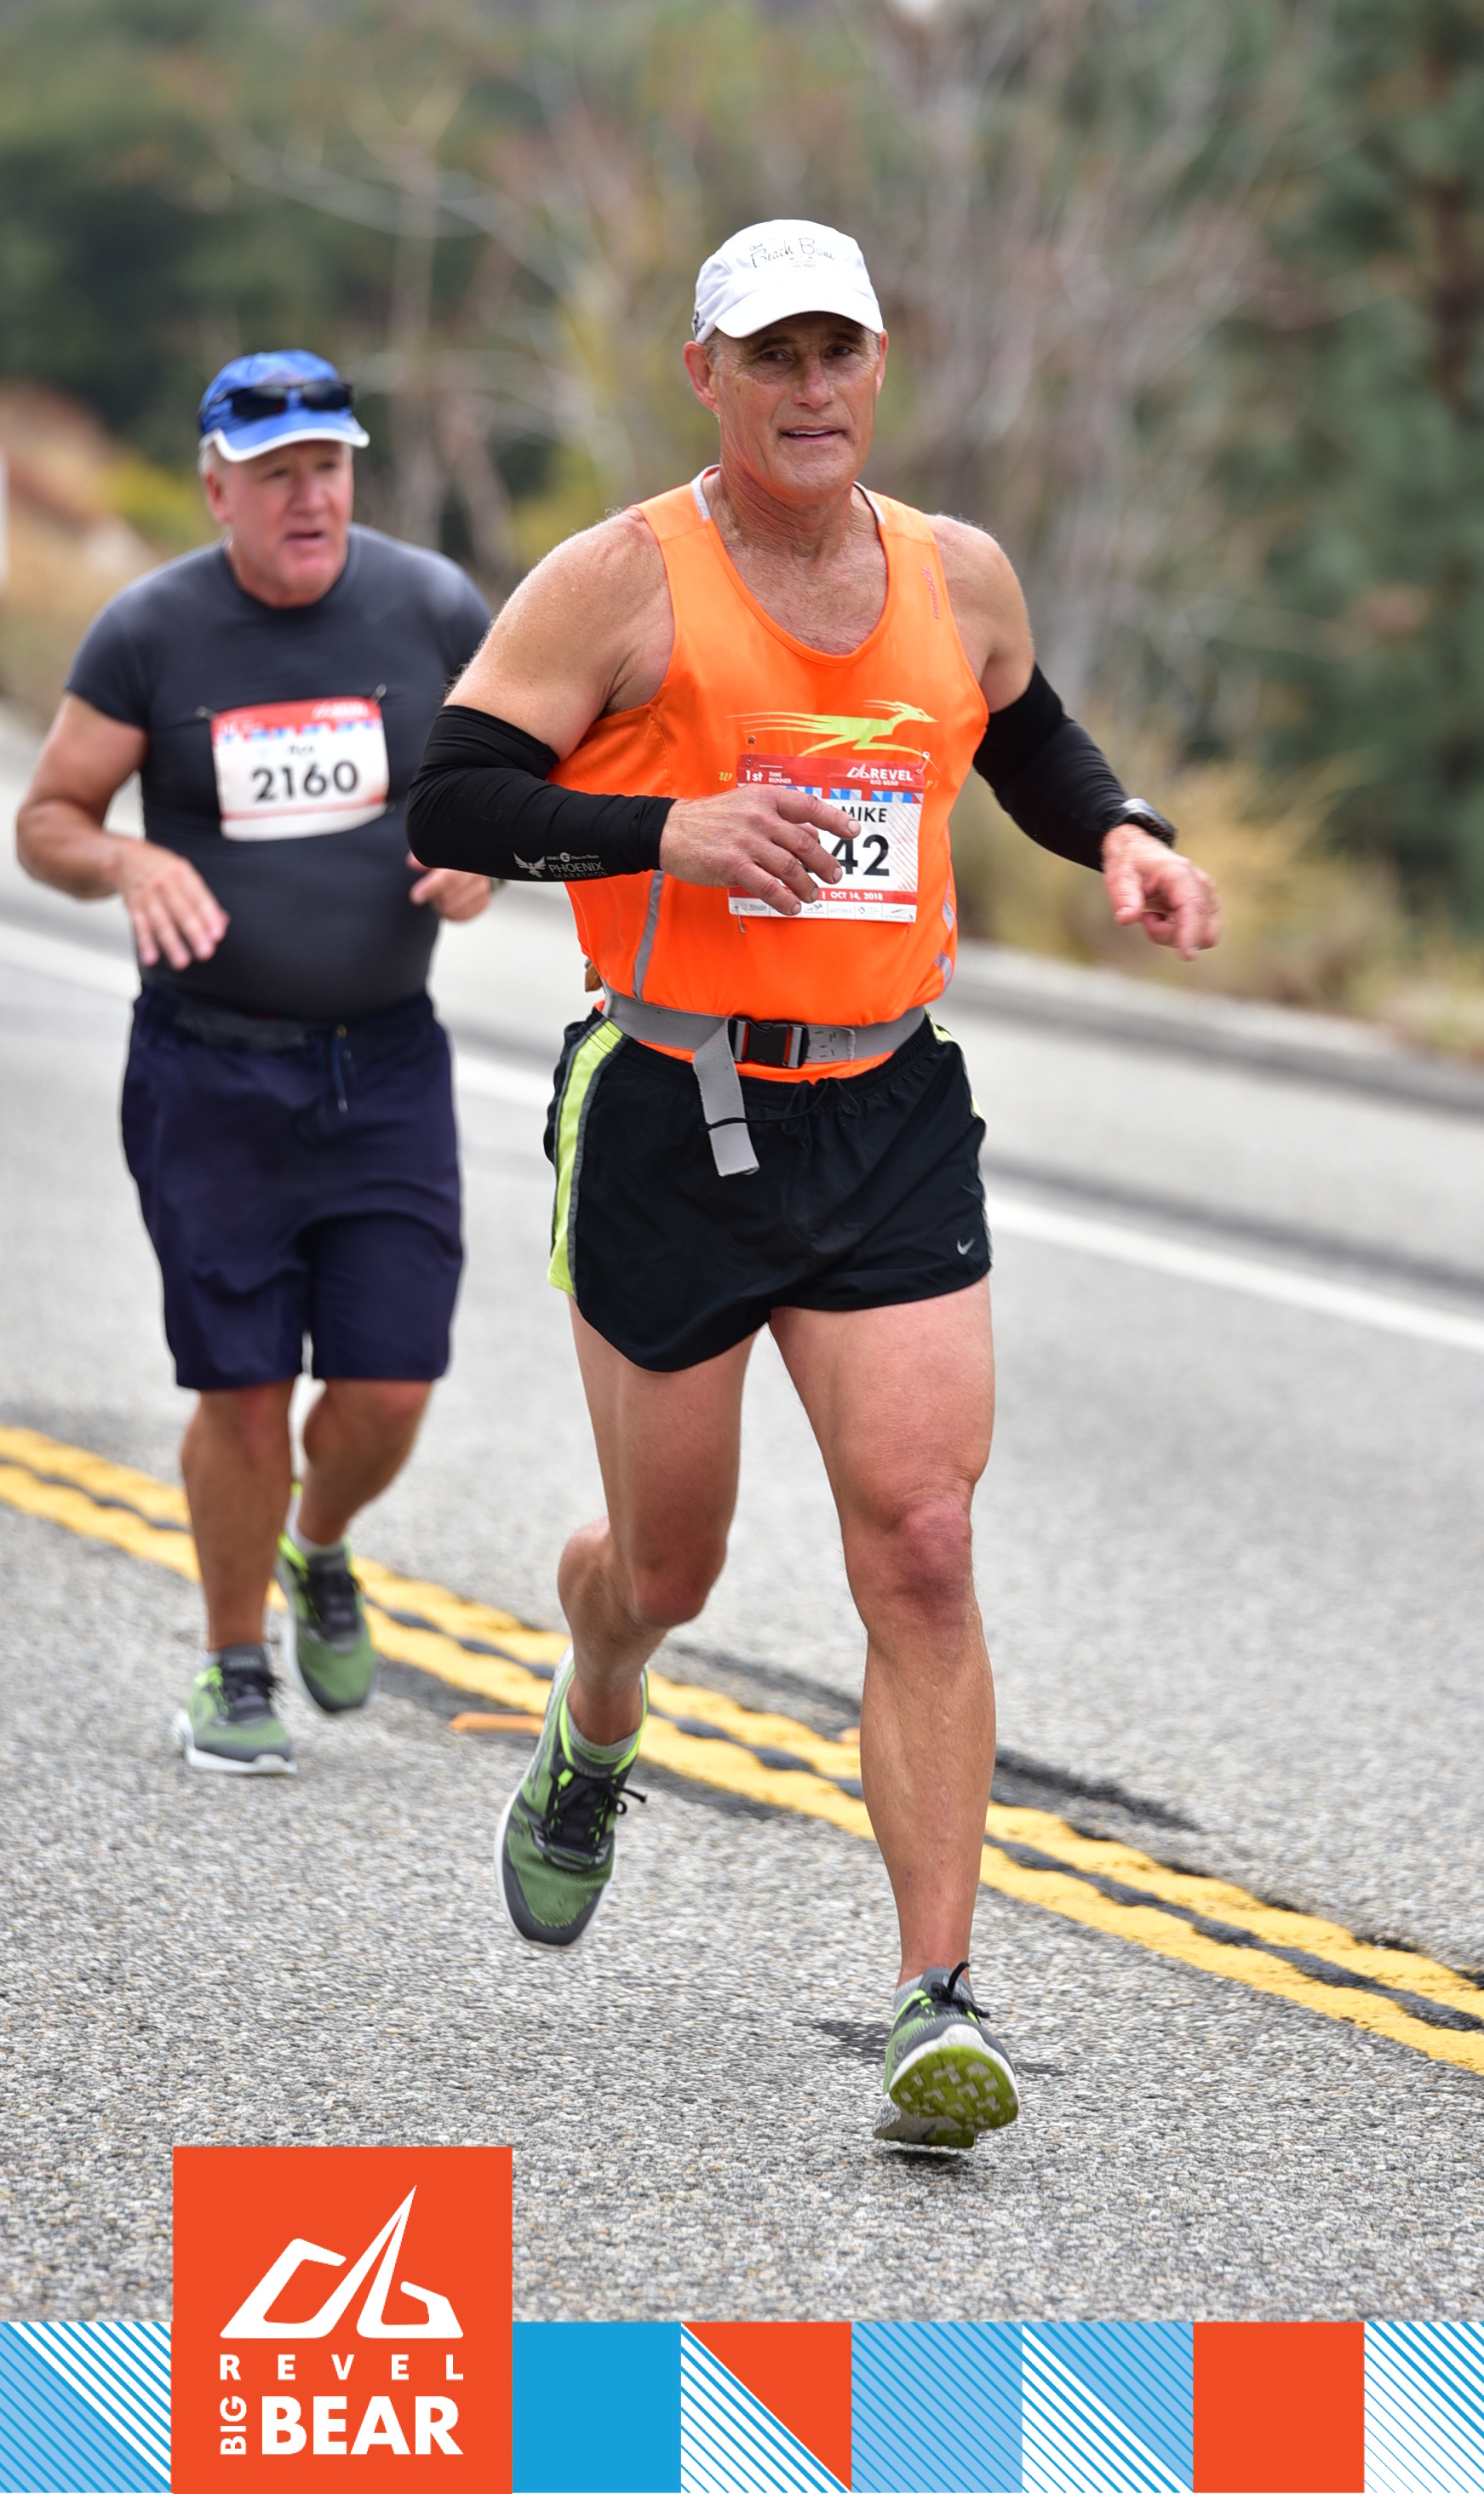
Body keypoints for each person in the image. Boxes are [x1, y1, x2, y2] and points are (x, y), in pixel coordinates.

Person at [406, 221, 1219, 2148]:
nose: (807, 388)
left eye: (834, 351)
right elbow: (454, 795)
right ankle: (597, 1706)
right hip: (670, 1108)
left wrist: (1119, 829)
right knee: (663, 1569)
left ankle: (938, 1996)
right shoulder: (618, 579)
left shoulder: (953, 570)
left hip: (885, 1109)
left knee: (921, 1544)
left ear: (878, 363)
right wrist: (662, 831)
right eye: (767, 356)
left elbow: (1018, 725)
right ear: (706, 374)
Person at [16, 351, 495, 1780]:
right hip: (210, 1074)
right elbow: (47, 819)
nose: (309, 496)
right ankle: (234, 1665)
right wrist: (127, 858)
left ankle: (319, 1540)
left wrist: (487, 853)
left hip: (386, 1068)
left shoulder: (432, 607)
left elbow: (526, 777)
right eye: (276, 473)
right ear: (217, 488)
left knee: (390, 1387)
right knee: (240, 1389)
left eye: (328, 466)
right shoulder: (149, 631)